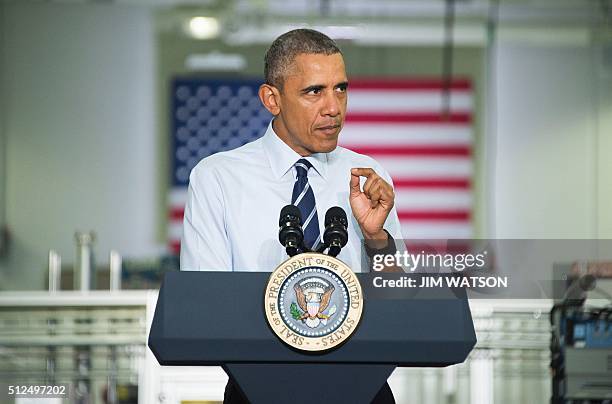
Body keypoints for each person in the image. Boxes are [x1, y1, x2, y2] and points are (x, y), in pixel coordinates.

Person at [181, 28, 401, 404]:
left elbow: (398, 301)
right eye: (314, 91)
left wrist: (377, 240)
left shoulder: (367, 174)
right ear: (272, 99)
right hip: (258, 389)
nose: (334, 107)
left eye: (341, 88)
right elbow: (208, 304)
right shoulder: (217, 177)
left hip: (363, 388)